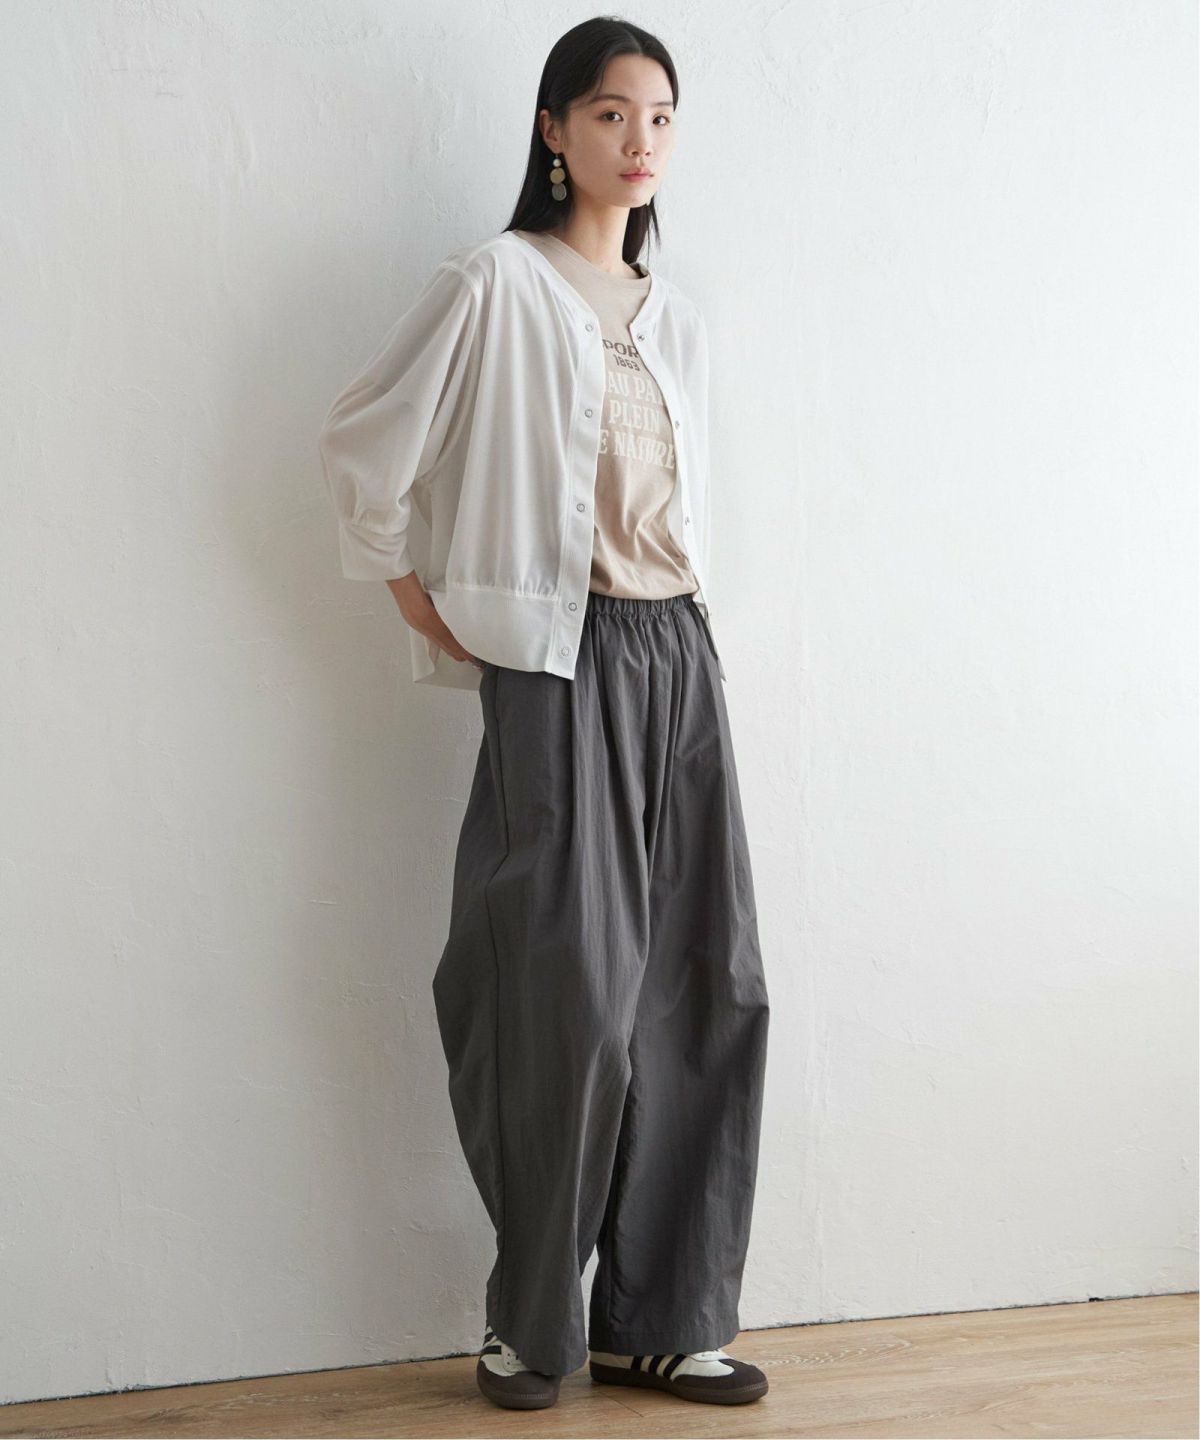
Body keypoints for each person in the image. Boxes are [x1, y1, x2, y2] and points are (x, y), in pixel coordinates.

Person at [317, 15, 771, 1411]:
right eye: (613, 113)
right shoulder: (495, 283)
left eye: (661, 118)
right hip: (560, 667)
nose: (641, 142)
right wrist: (430, 609)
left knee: (705, 988)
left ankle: (663, 1316)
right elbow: (363, 447)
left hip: (678, 653)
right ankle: (532, 1321)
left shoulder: (677, 317)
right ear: (554, 128)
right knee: (563, 993)